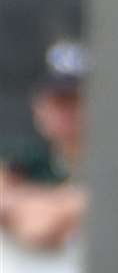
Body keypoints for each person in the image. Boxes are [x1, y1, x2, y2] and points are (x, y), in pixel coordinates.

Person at [0, 39, 90, 250]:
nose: (65, 113)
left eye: (74, 101)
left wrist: (21, 200)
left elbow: (41, 227)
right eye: (56, 101)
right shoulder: (24, 157)